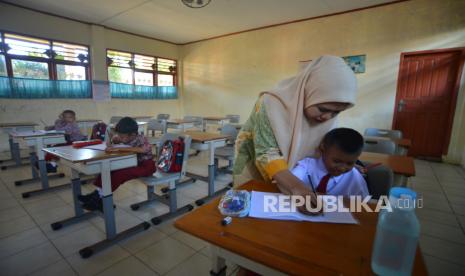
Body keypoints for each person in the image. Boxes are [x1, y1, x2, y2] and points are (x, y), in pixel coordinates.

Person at [233, 55, 357, 214]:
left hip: (292, 177)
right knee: (250, 210)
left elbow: (327, 145)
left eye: (336, 112)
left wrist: (350, 163)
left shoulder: (327, 113)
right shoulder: (270, 103)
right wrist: (297, 187)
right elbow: (266, 153)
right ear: (308, 92)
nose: (327, 118)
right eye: (323, 109)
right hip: (253, 165)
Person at [78, 117, 155, 211]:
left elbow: (144, 149)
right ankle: (97, 194)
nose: (120, 138)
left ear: (133, 134)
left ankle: (100, 197)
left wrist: (119, 148)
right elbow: (115, 139)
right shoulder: (125, 137)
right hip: (133, 163)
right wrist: (113, 141)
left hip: (147, 166)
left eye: (122, 136)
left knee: (120, 174)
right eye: (119, 135)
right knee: (109, 169)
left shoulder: (141, 138)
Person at [291, 128, 369, 198]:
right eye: (337, 161)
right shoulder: (306, 166)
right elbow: (290, 184)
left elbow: (364, 205)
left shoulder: (355, 178)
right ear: (323, 148)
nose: (342, 168)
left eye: (349, 163)